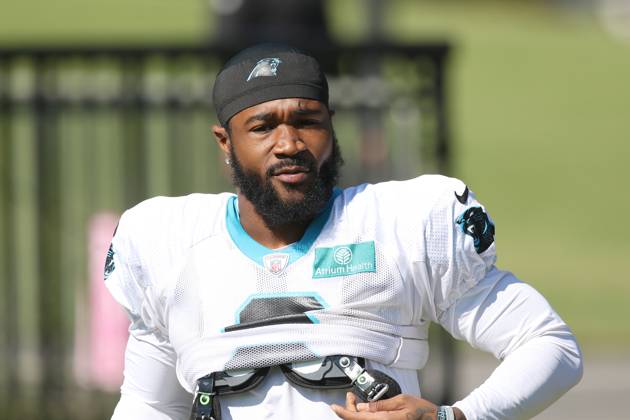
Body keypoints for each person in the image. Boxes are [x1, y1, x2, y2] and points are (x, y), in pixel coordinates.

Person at [104, 43, 582, 420]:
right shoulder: (167, 245)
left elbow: (548, 344)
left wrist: (453, 416)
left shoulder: (402, 225)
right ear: (224, 141)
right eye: (263, 127)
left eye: (306, 121)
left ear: (331, 126)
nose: (289, 143)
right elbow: (150, 406)